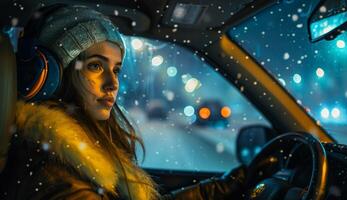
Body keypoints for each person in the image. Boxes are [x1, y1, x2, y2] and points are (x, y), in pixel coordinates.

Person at [0, 4, 246, 200]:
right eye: (95, 66)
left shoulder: (75, 152)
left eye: (116, 70)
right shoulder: (59, 177)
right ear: (50, 75)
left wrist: (231, 184)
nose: (112, 83)